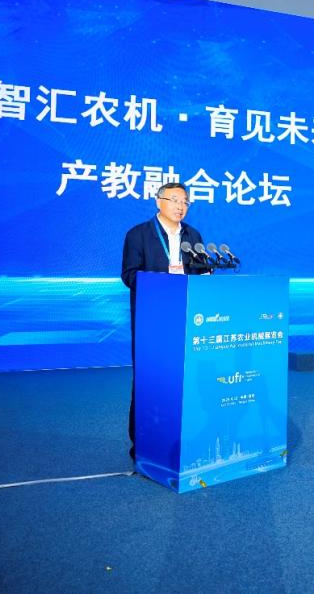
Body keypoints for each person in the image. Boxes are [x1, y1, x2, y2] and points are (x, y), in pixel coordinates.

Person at [121, 183, 205, 459]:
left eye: (185, 202)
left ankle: (181, 438)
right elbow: (129, 275)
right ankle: (142, 443)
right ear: (159, 202)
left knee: (184, 377)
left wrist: (205, 276)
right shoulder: (138, 234)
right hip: (153, 320)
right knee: (151, 378)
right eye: (174, 200)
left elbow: (201, 270)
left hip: (187, 317)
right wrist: (164, 282)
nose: (181, 206)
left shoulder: (193, 235)